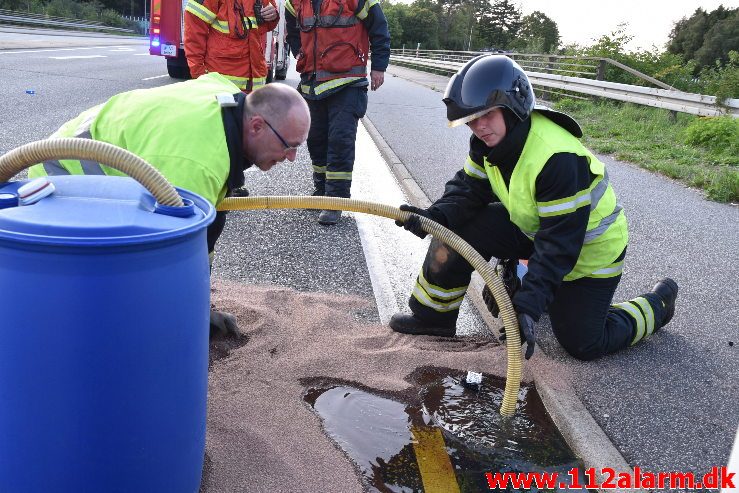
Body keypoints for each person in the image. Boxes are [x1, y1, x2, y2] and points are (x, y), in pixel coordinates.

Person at [391, 55, 679, 362]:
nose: (479, 127)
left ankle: (657, 305)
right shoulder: (488, 144)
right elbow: (467, 190)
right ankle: (433, 319)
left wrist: (528, 306)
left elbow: (559, 244)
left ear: (513, 106)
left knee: (582, 342)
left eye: (487, 115)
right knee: (454, 228)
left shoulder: (557, 158)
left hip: (589, 253)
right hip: (537, 231)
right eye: (471, 119)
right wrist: (434, 217)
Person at [28, 73, 311, 335]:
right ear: (257, 126)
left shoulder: (228, 96)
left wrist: (200, 307)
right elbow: (171, 259)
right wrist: (186, 319)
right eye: (289, 145)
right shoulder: (194, 167)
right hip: (64, 174)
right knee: (114, 277)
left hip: (90, 150)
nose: (291, 158)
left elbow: (204, 239)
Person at [284, 0, 390, 225]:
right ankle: (321, 190)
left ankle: (336, 200)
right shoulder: (295, 2)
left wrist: (379, 66)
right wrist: (299, 53)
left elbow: (378, 27)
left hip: (347, 83)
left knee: (340, 141)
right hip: (312, 83)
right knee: (316, 140)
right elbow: (291, 28)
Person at [184, 0, 279, 93]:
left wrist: (273, 15)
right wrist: (200, 75)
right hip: (220, 88)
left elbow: (265, 24)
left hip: (254, 85)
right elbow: (194, 35)